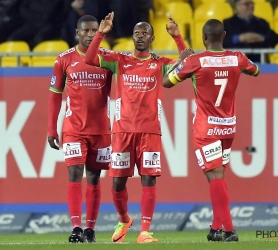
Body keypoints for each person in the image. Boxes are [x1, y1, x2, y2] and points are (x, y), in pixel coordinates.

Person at [85, 12, 187, 243]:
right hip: (122, 131)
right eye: (136, 33)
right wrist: (101, 34)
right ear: (132, 38)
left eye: (145, 33)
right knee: (118, 181)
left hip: (150, 131)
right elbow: (89, 59)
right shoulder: (119, 60)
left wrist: (178, 38)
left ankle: (145, 231)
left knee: (149, 179)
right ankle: (123, 219)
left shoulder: (160, 63)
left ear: (152, 38)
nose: (140, 36)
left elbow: (188, 64)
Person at [162, 19, 260, 242]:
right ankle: (216, 228)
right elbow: (256, 71)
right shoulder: (238, 58)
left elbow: (166, 82)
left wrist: (181, 61)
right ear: (224, 35)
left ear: (204, 37)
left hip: (206, 129)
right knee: (218, 176)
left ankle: (229, 229)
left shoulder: (196, 61)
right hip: (228, 128)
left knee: (215, 177)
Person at [47, 15, 113, 243]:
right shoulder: (63, 59)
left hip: (101, 130)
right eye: (86, 30)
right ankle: (76, 227)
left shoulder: (108, 59)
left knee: (94, 178)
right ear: (77, 32)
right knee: (75, 174)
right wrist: (52, 130)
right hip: (74, 128)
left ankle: (90, 229)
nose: (90, 34)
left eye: (95, 30)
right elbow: (55, 97)